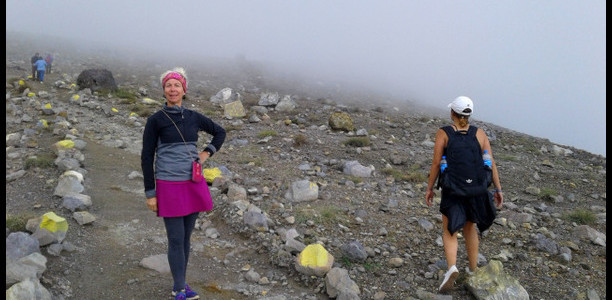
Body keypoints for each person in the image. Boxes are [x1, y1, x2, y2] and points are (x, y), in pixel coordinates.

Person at [141, 67, 226, 300]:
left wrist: (206, 153)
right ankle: (179, 288)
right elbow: (147, 156)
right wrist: (150, 192)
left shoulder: (194, 117)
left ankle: (181, 282)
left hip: (193, 182)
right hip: (168, 184)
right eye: (168, 85)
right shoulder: (155, 120)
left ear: (184, 89)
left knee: (186, 237)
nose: (172, 89)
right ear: (164, 90)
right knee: (176, 238)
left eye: (177, 85)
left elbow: (220, 132)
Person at [425, 96, 503, 293]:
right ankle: (473, 269)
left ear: (453, 113)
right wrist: (498, 189)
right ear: (469, 114)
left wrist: (430, 188)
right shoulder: (480, 134)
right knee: (470, 227)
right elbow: (491, 163)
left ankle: (452, 268)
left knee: (450, 229)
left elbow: (436, 164)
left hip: (453, 188)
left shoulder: (444, 133)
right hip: (477, 189)